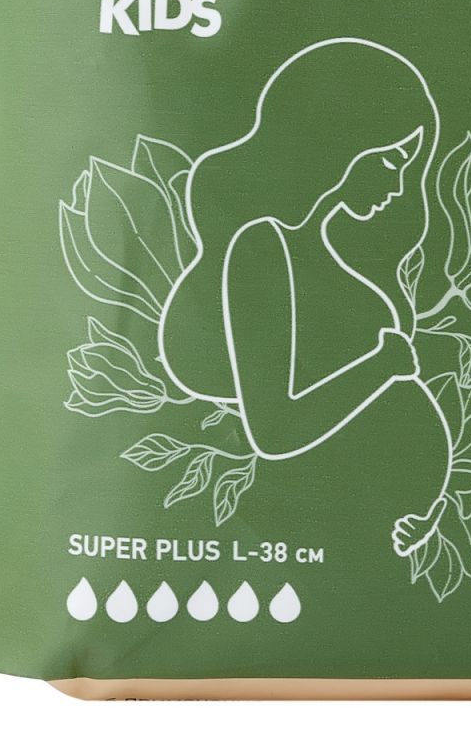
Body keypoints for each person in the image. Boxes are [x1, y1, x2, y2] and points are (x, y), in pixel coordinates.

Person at [159, 39, 450, 556]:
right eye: (391, 160)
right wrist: (384, 366)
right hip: (320, 537)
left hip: (383, 537)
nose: (401, 184)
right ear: (341, 143)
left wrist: (425, 505)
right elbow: (274, 432)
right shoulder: (260, 248)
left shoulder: (323, 253)